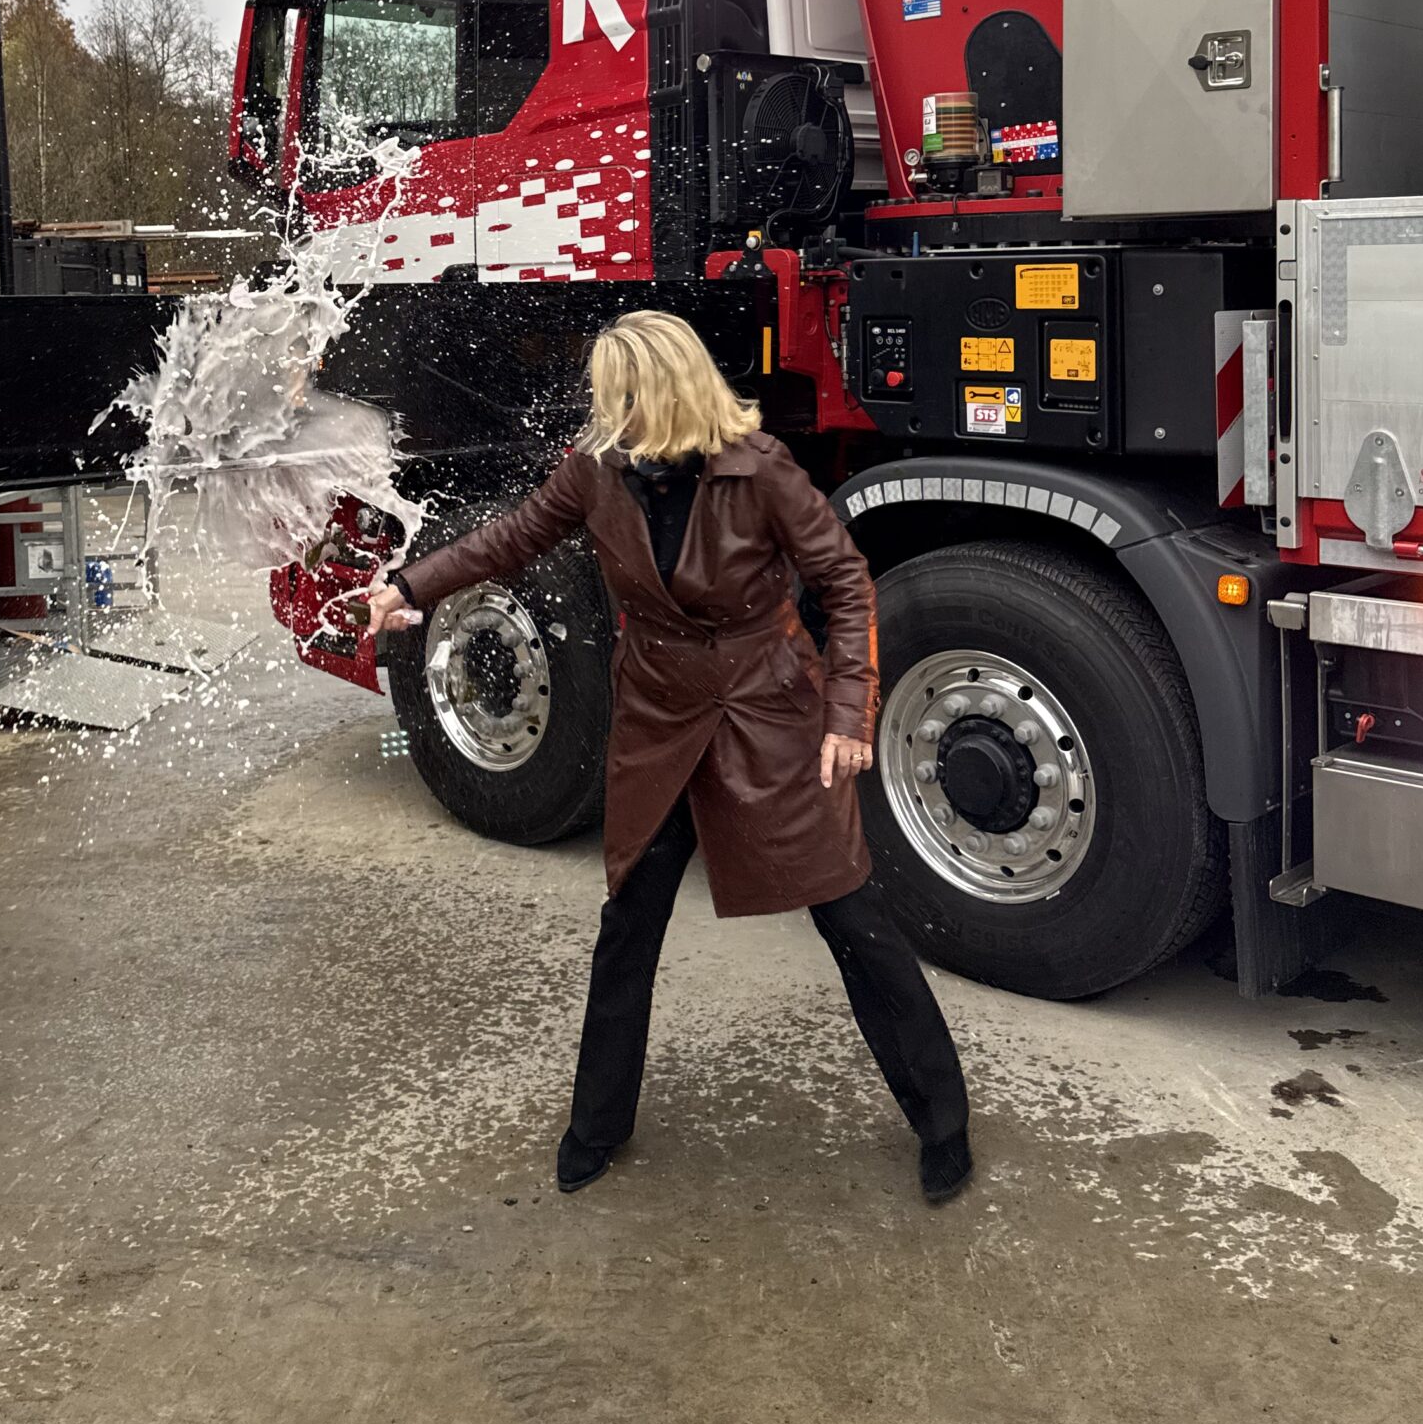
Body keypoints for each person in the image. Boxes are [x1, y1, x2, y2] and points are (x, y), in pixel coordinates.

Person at [368, 308, 972, 1203]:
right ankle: (596, 1125)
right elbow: (514, 537)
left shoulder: (761, 470)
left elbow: (846, 584)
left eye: (620, 397)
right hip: (657, 715)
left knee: (853, 921)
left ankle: (943, 1123)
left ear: (667, 391)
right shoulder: (597, 469)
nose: (606, 416)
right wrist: (410, 584)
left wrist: (849, 713)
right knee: (629, 928)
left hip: (767, 711)